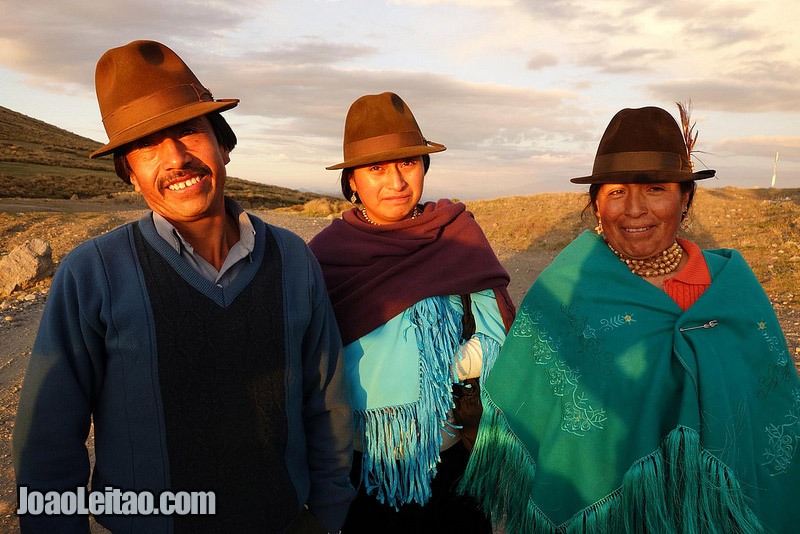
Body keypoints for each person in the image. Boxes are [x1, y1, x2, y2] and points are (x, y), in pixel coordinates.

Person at [13, 40, 354, 534]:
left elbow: (327, 398)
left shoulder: (293, 259)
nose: (174, 158)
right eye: (147, 145)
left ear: (225, 147)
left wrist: (327, 513)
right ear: (130, 174)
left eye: (190, 131)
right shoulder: (93, 272)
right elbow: (48, 442)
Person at [461, 106, 800, 534]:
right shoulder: (565, 293)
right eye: (617, 191)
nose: (634, 209)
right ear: (597, 204)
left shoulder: (733, 292)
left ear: (685, 198)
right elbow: (535, 404)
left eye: (655, 188)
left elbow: (772, 413)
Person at [308, 92, 515, 533]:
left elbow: (499, 337)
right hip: (361, 469)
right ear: (352, 182)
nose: (396, 181)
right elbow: (310, 362)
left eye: (408, 163)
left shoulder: (456, 235)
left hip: (452, 460)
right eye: (376, 168)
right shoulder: (324, 256)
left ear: (424, 167)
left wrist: (436, 368)